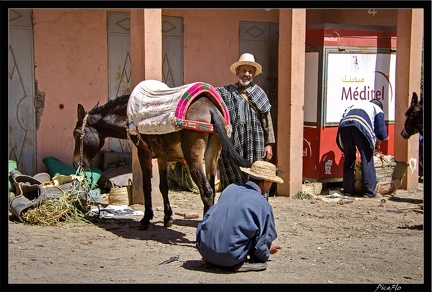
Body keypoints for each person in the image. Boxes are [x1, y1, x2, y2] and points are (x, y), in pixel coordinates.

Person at [196, 161, 283, 272]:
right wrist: (264, 252)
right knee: (261, 262)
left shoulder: (230, 189)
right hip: (230, 256)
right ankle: (231, 263)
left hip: (204, 249)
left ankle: (214, 258)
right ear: (265, 182)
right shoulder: (262, 204)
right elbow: (261, 242)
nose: (269, 187)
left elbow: (211, 218)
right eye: (271, 183)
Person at [216, 53, 276, 192]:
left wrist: (269, 145)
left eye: (250, 71)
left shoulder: (259, 94)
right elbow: (212, 95)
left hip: (256, 143)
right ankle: (233, 204)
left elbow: (267, 121)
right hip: (234, 143)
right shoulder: (226, 92)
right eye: (243, 70)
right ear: (237, 72)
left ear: (254, 74)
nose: (246, 74)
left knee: (255, 175)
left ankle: (254, 204)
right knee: (234, 177)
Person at [336, 99, 389, 198]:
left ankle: (348, 190)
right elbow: (381, 132)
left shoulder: (353, 105)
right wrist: (378, 143)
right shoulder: (377, 109)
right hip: (361, 126)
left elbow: (342, 120)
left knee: (349, 159)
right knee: (367, 159)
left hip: (344, 128)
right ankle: (369, 192)